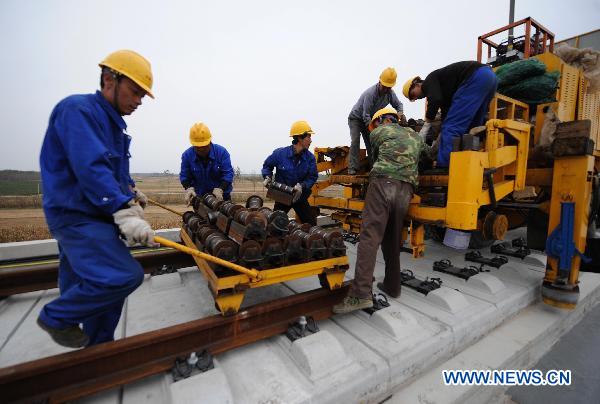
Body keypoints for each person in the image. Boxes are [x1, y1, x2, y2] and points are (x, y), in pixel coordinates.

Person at [37, 50, 157, 348]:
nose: (139, 101)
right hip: (78, 216)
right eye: (135, 92)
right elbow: (91, 167)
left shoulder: (113, 125)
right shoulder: (78, 111)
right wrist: (122, 209)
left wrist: (128, 190)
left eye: (143, 95)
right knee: (122, 276)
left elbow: (110, 169)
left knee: (85, 282)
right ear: (108, 80)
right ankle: (56, 317)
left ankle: (96, 349)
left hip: (92, 215)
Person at [333, 107, 431, 314]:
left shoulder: (378, 132)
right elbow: (428, 155)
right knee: (392, 239)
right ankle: (392, 286)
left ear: (379, 122)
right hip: (406, 190)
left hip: (382, 184)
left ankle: (360, 295)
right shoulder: (414, 135)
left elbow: (375, 158)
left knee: (370, 238)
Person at [402, 61, 498, 167]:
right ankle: (471, 163)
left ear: (416, 84)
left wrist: (428, 121)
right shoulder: (444, 87)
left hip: (474, 78)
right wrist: (441, 131)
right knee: (473, 128)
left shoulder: (429, 81)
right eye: (413, 99)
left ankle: (443, 168)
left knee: (451, 128)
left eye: (413, 95)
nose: (416, 98)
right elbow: (447, 113)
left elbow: (435, 99)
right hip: (490, 77)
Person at [347, 67, 405, 175]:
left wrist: (400, 113)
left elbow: (399, 105)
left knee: (372, 142)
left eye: (389, 87)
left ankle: (374, 167)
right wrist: (374, 129)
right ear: (380, 82)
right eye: (385, 87)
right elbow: (366, 115)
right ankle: (352, 167)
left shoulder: (390, 94)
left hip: (369, 118)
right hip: (356, 118)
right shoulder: (370, 94)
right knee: (355, 140)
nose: (386, 89)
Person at [262, 120, 319, 226]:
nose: (311, 140)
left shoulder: (310, 158)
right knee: (275, 225)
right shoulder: (280, 154)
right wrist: (267, 176)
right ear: (300, 137)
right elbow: (267, 166)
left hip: (299, 197)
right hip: (282, 196)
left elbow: (312, 176)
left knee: (311, 225)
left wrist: (302, 186)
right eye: (309, 137)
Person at [180, 122, 234, 205]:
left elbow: (228, 174)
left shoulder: (222, 152)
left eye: (204, 146)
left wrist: (220, 189)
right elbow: (184, 176)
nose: (201, 149)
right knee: (201, 218)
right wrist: (188, 188)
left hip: (221, 197)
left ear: (209, 141)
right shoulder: (187, 156)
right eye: (198, 147)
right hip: (200, 199)